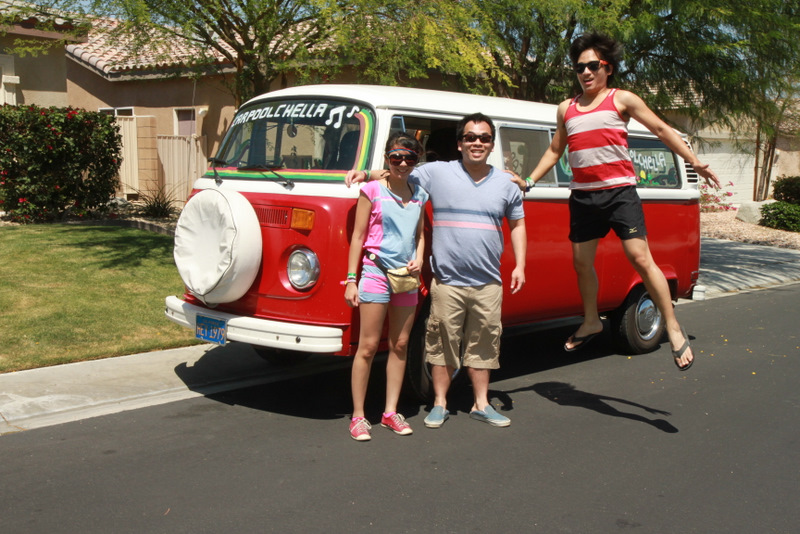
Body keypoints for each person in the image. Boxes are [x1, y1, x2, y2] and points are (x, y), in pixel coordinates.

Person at [518, 32, 720, 370]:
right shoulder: (566, 108)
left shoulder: (621, 99)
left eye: (592, 66)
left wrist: (693, 161)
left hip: (619, 193)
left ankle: (672, 325)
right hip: (583, 197)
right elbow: (555, 150)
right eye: (579, 67)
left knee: (641, 258)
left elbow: (661, 129)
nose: (585, 72)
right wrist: (528, 181)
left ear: (607, 68)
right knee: (581, 264)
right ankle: (591, 320)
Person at [348, 113, 526, 428]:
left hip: (488, 279)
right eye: (470, 137)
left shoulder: (505, 182)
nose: (477, 143)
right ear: (459, 143)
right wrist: (364, 173)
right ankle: (439, 404)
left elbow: (518, 224)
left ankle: (481, 403)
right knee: (441, 341)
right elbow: (399, 168)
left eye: (484, 138)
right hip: (446, 279)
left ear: (491, 144)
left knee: (483, 341)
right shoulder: (437, 172)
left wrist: (520, 264)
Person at [345, 132, 429, 441]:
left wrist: (420, 257)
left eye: (410, 158)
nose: (402, 164)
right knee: (368, 347)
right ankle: (358, 416)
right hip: (375, 272)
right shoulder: (372, 191)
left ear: (416, 161)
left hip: (406, 278)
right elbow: (358, 236)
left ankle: (390, 412)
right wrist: (351, 280)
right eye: (396, 158)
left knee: (401, 344)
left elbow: (419, 235)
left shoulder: (420, 194)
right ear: (387, 159)